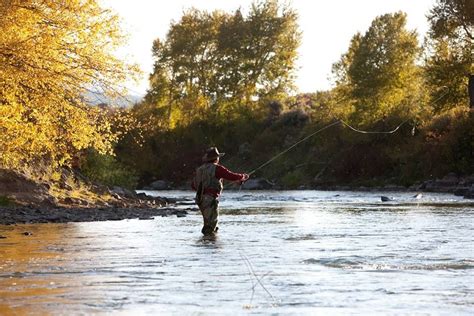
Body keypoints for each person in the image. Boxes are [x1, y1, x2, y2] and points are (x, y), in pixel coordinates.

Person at [192, 147, 249, 235]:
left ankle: (208, 242)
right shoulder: (217, 168)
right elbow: (230, 175)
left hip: (200, 199)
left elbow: (193, 185)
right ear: (216, 158)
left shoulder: (199, 170)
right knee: (211, 225)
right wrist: (242, 176)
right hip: (210, 199)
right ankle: (209, 245)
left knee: (209, 223)